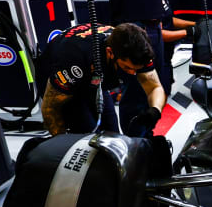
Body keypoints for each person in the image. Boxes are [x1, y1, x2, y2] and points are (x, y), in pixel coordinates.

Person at [38, 22, 166, 136]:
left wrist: (155, 110)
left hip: (94, 78)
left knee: (113, 136)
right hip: (64, 81)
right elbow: (50, 108)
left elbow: (155, 87)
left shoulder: (138, 51)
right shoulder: (77, 58)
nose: (133, 74)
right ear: (110, 53)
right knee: (87, 137)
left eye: (136, 69)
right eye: (127, 68)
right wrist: (62, 144)